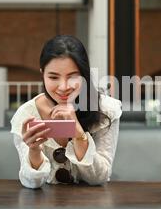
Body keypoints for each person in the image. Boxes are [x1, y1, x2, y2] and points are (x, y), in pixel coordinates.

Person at [10, 35, 122, 188]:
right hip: (43, 207)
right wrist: (34, 150)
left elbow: (99, 177)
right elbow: (32, 183)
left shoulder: (106, 110)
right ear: (42, 73)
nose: (63, 87)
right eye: (53, 77)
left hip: (93, 206)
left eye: (72, 77)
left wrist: (77, 130)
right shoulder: (27, 114)